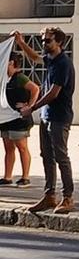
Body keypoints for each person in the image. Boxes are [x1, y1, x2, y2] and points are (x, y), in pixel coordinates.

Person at [13, 28, 76, 214]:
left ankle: (68, 197)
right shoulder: (51, 60)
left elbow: (53, 93)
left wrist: (31, 108)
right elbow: (35, 58)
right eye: (42, 40)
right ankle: (49, 195)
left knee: (61, 157)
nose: (44, 44)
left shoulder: (63, 64)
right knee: (47, 157)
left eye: (48, 41)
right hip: (47, 116)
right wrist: (21, 43)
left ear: (59, 43)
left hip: (59, 116)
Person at [1, 53, 39, 188]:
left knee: (22, 147)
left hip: (19, 119)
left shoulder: (20, 78)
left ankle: (25, 177)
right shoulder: (5, 78)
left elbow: (35, 88)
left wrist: (29, 105)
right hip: (6, 119)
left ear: (11, 63)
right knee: (8, 147)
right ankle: (7, 176)